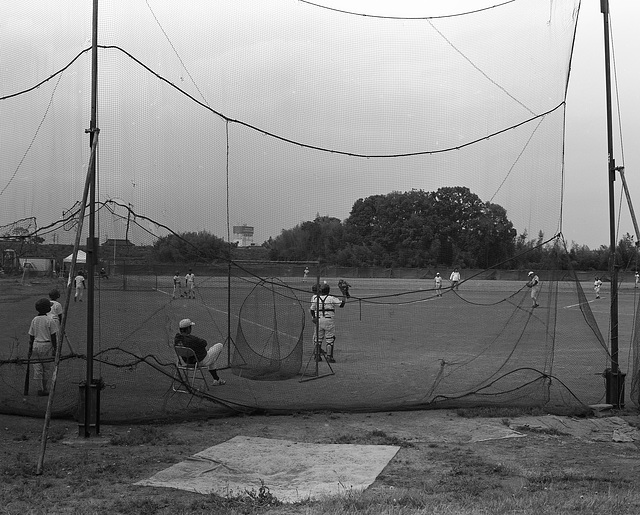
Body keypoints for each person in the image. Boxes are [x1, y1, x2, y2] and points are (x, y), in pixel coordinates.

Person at [174, 318, 225, 385]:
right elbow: (204, 343)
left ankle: (217, 379)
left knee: (212, 358)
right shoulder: (192, 339)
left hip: (185, 362)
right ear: (188, 329)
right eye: (190, 327)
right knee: (219, 345)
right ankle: (216, 379)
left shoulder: (177, 339)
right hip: (199, 361)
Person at [28, 297, 58, 396]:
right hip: (47, 345)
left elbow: (31, 336)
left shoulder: (34, 320)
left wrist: (30, 350)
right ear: (47, 309)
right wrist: (55, 349)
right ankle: (44, 388)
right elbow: (53, 337)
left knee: (37, 369)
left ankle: (39, 389)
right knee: (46, 368)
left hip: (36, 345)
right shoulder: (50, 320)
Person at [310, 281, 346, 363]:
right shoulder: (331, 298)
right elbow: (342, 305)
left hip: (318, 320)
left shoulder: (316, 298)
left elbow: (312, 309)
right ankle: (329, 357)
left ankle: (317, 356)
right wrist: (344, 294)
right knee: (330, 339)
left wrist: (314, 317)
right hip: (328, 320)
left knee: (318, 339)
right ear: (328, 291)